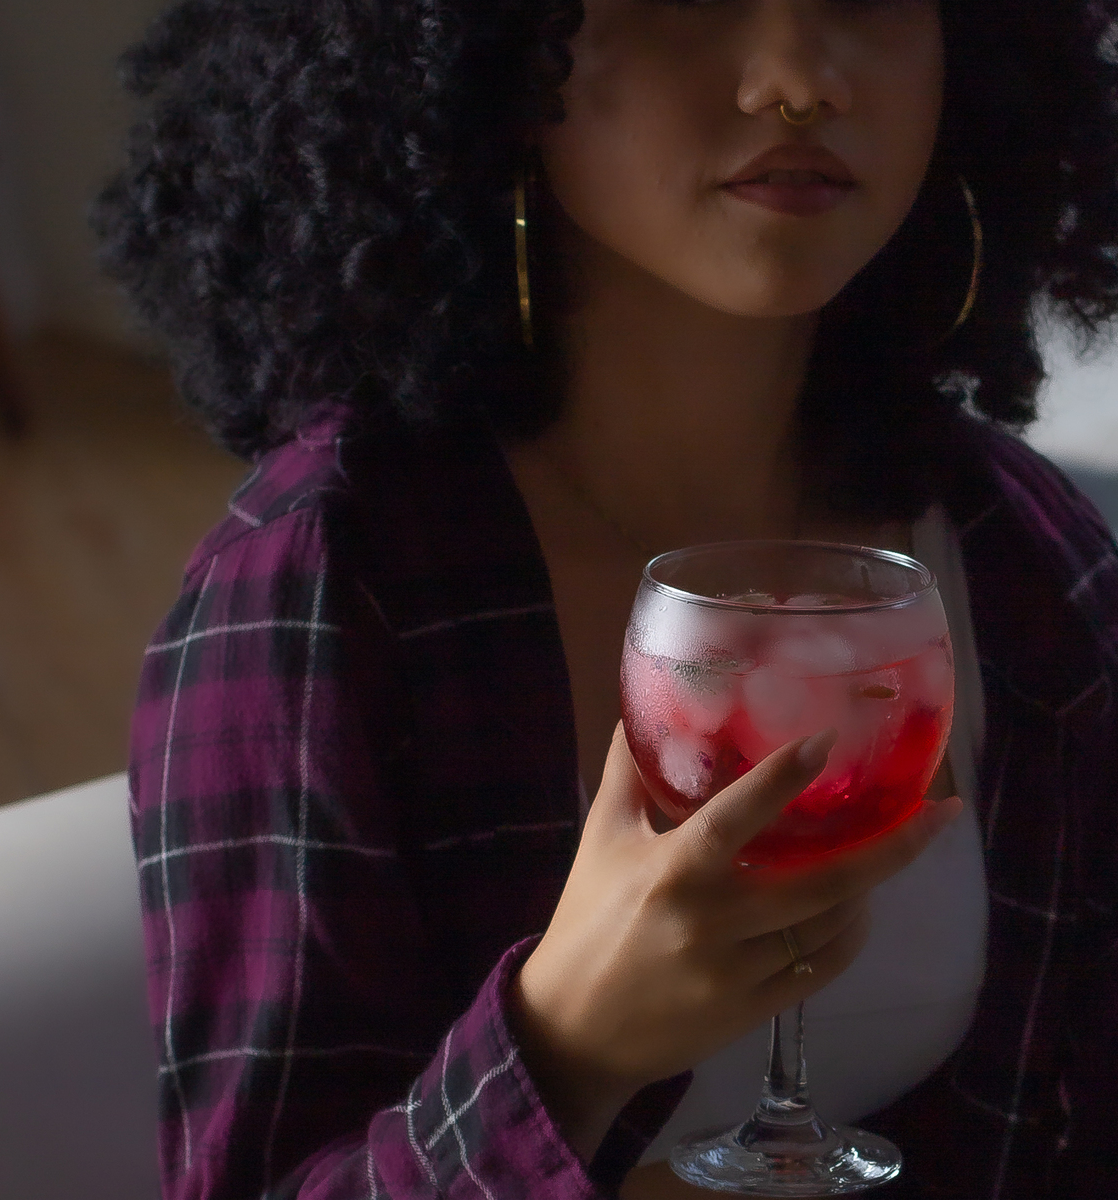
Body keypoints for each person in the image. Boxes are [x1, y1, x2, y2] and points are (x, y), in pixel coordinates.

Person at [94, 1, 1118, 1196]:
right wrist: (570, 1047)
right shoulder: (321, 584)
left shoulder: (1016, 550)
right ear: (491, 61)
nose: (797, 82)